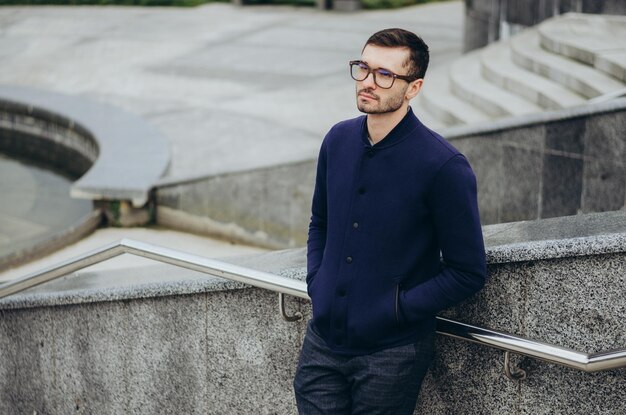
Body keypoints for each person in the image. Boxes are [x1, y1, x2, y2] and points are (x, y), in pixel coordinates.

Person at [293, 28, 487, 415]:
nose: (367, 82)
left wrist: (396, 308)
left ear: (413, 88)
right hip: (322, 343)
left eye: (384, 75)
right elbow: (320, 223)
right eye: (363, 68)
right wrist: (318, 282)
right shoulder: (337, 140)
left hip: (392, 354)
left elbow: (468, 271)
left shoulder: (443, 166)